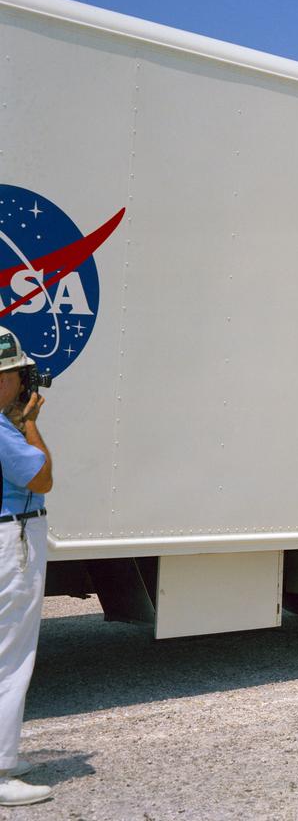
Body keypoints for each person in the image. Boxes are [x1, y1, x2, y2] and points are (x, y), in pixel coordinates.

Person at [0, 328, 54, 807]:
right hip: (10, 536)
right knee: (10, 654)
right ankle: (0, 771)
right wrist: (30, 424)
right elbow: (41, 477)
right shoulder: (3, 430)